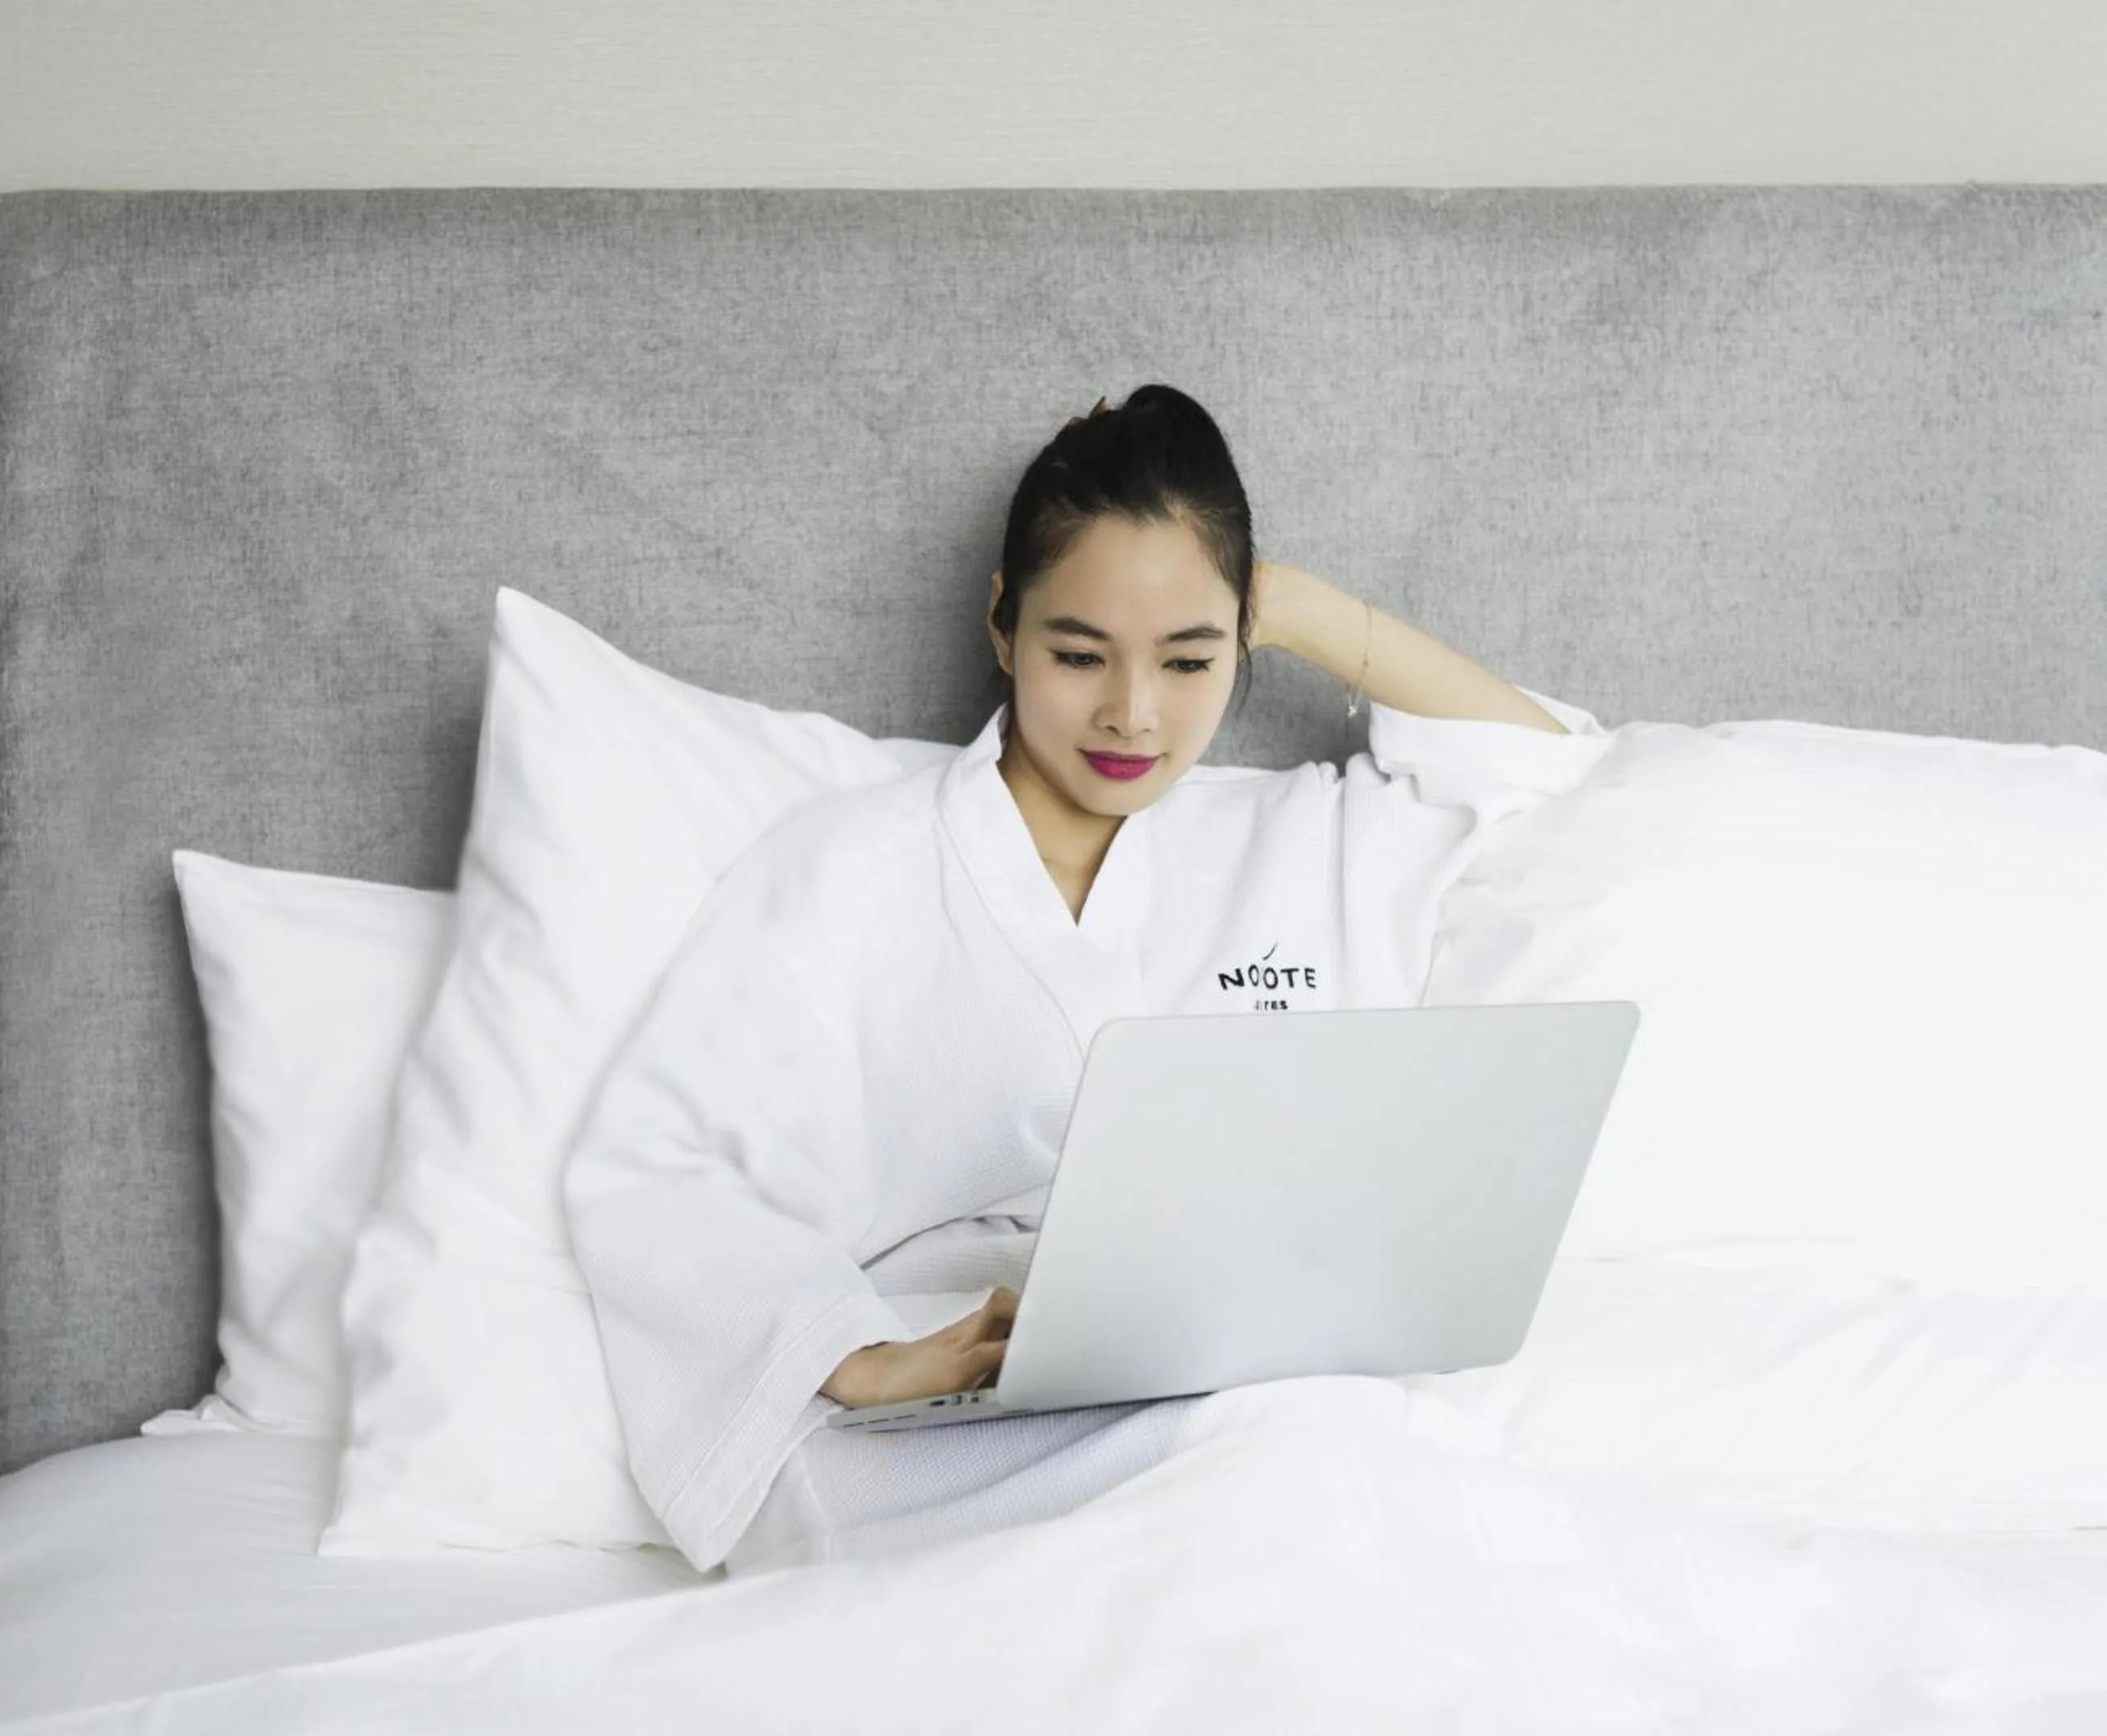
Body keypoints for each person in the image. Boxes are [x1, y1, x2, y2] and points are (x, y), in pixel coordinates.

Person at [561, 383, 1604, 1577]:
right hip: (937, 1400)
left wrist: (1285, 601)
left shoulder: (1286, 840)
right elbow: (663, 1164)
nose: (1133, 714)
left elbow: (1543, 774)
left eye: (1190, 658)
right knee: (1291, 1494)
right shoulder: (848, 870)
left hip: (1231, 1381)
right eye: (1078, 653)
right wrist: (850, 1354)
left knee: (1339, 1470)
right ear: (1002, 625)